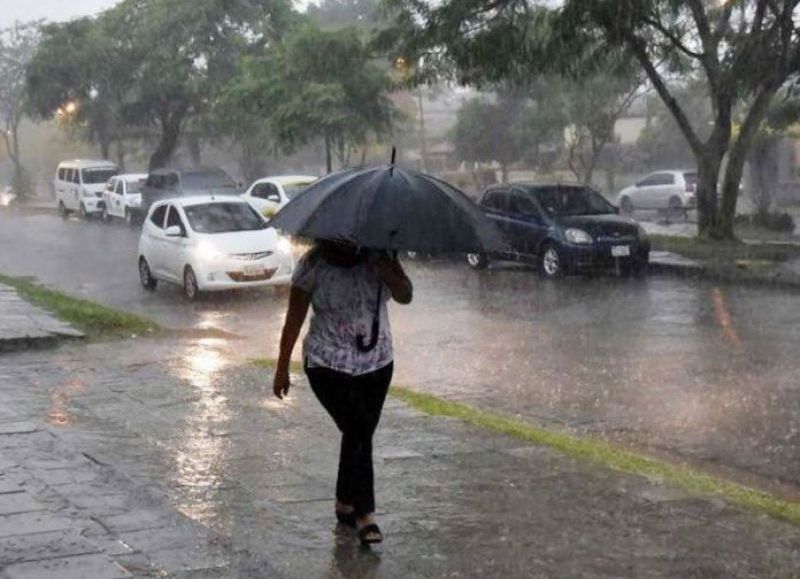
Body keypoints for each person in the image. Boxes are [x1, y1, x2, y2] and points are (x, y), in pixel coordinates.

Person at [273, 239, 413, 547]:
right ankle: (365, 515)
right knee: (358, 427)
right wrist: (282, 367)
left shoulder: (379, 255)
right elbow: (294, 318)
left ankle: (344, 503)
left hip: (377, 363)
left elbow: (405, 295)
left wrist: (387, 270)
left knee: (358, 435)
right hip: (327, 364)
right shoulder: (313, 266)